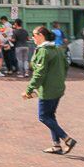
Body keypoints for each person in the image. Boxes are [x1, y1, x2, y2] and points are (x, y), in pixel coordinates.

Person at [23, 26, 76, 155]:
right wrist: (59, 80)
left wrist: (29, 89)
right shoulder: (58, 49)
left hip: (48, 91)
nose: (32, 38)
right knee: (50, 116)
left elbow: (39, 73)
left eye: (34, 35)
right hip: (58, 88)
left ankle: (67, 139)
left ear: (41, 35)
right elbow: (65, 66)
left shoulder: (44, 51)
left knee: (43, 117)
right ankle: (56, 145)